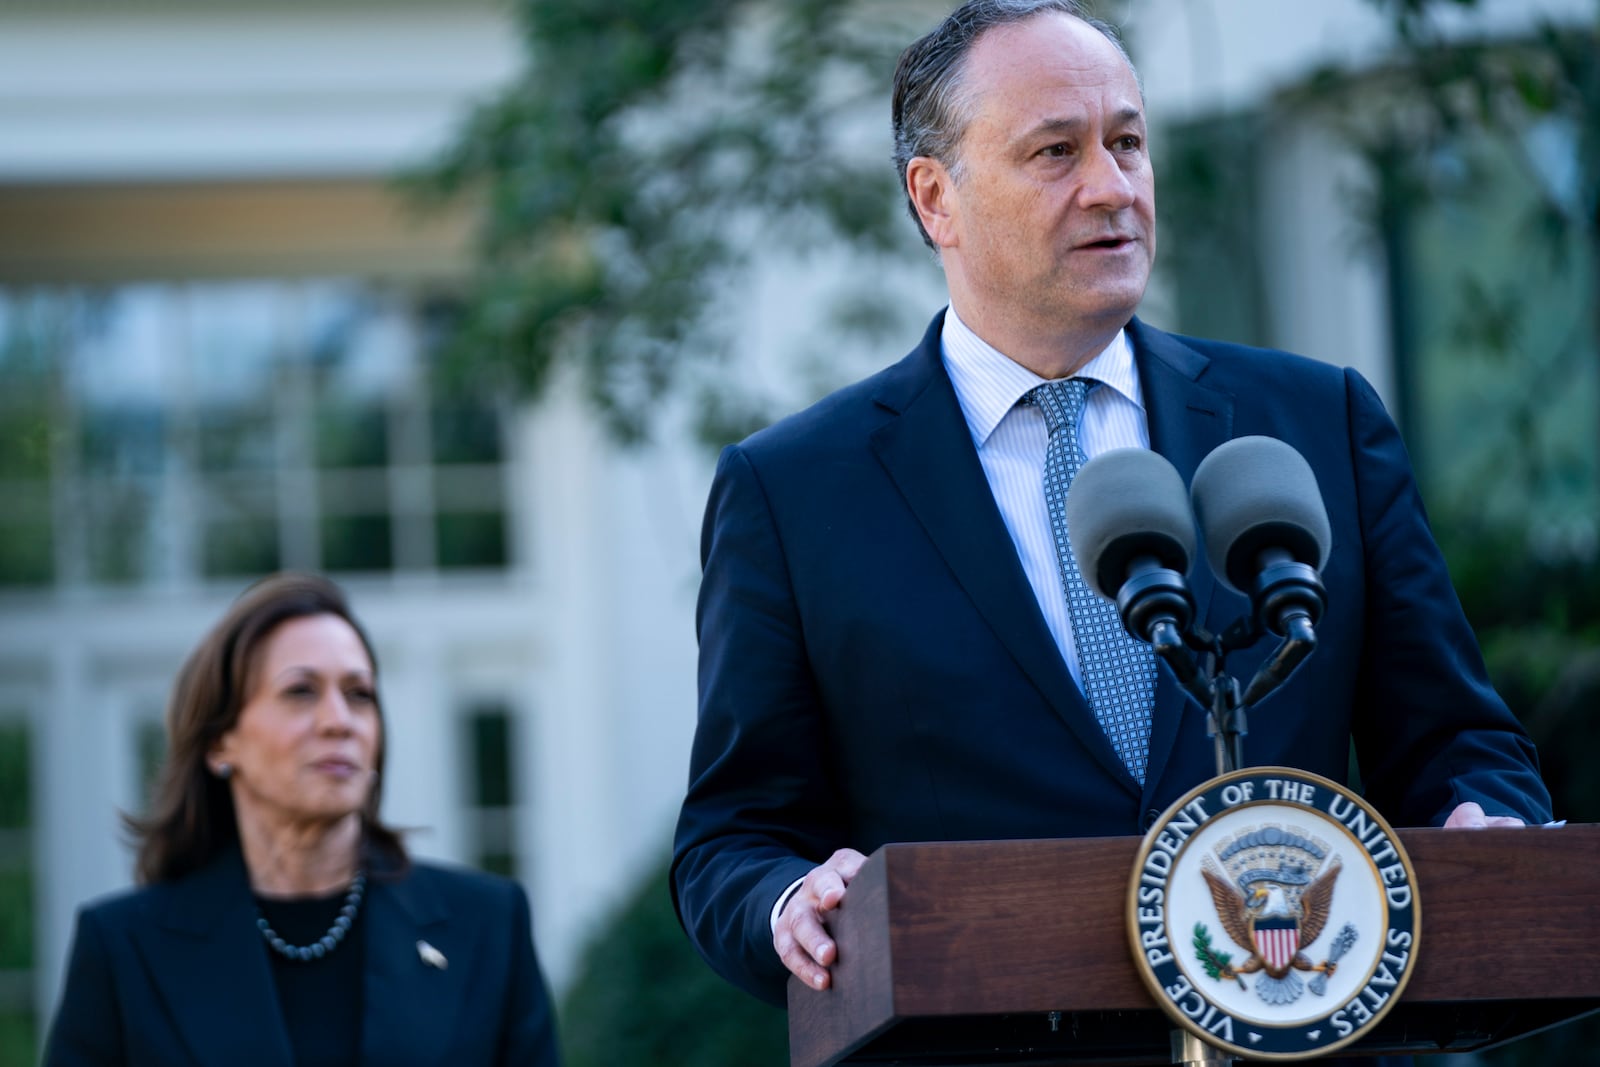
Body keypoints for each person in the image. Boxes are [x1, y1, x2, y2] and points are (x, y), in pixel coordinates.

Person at [671, 0, 1552, 1020]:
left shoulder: (1314, 423)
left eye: (1127, 142)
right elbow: (732, 834)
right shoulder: (795, 490)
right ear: (934, 198)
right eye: (1056, 152)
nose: (1112, 186)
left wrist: (1483, 821)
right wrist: (788, 898)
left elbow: (1457, 738)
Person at [44, 573, 561, 1067]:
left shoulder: (489, 925)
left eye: (359, 694)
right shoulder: (123, 949)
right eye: (301, 692)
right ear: (221, 742)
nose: (339, 721)